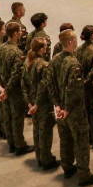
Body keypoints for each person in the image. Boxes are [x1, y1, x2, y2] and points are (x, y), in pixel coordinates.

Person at [51, 28, 93, 186]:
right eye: (75, 39)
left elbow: (51, 84)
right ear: (71, 42)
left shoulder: (55, 60)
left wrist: (57, 105)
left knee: (65, 139)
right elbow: (73, 90)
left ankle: (67, 167)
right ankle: (84, 175)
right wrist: (66, 108)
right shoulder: (74, 64)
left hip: (60, 109)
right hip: (73, 111)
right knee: (80, 142)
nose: (77, 41)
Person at [0, 22, 32, 155]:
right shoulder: (17, 52)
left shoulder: (0, 48)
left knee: (7, 117)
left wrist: (0, 87)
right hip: (14, 92)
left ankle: (11, 143)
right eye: (20, 31)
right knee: (16, 119)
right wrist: (7, 90)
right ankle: (20, 145)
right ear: (15, 33)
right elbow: (16, 75)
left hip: (3, 89)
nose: (21, 33)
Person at [24, 36, 59, 170]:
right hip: (42, 104)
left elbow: (24, 84)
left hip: (32, 103)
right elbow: (43, 87)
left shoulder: (27, 62)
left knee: (37, 130)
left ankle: (40, 156)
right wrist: (37, 104)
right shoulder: (43, 66)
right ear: (42, 49)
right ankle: (46, 159)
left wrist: (29, 104)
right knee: (45, 133)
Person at [75, 25, 93, 150]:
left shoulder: (77, 50)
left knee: (86, 111)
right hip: (92, 88)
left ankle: (88, 136)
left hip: (81, 86)